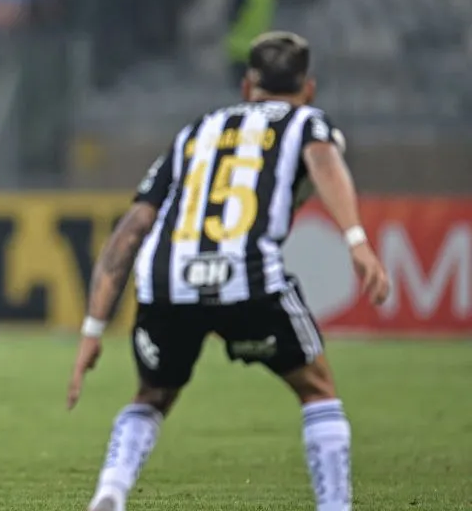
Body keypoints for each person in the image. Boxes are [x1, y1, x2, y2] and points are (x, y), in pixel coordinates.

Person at [67, 31, 391, 511]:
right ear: (309, 88)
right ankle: (335, 506)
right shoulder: (306, 121)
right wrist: (357, 240)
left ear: (246, 86)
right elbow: (323, 158)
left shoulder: (197, 130)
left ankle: (111, 490)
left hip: (167, 279)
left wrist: (93, 329)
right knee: (317, 388)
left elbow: (130, 231)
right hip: (246, 274)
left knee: (153, 394)